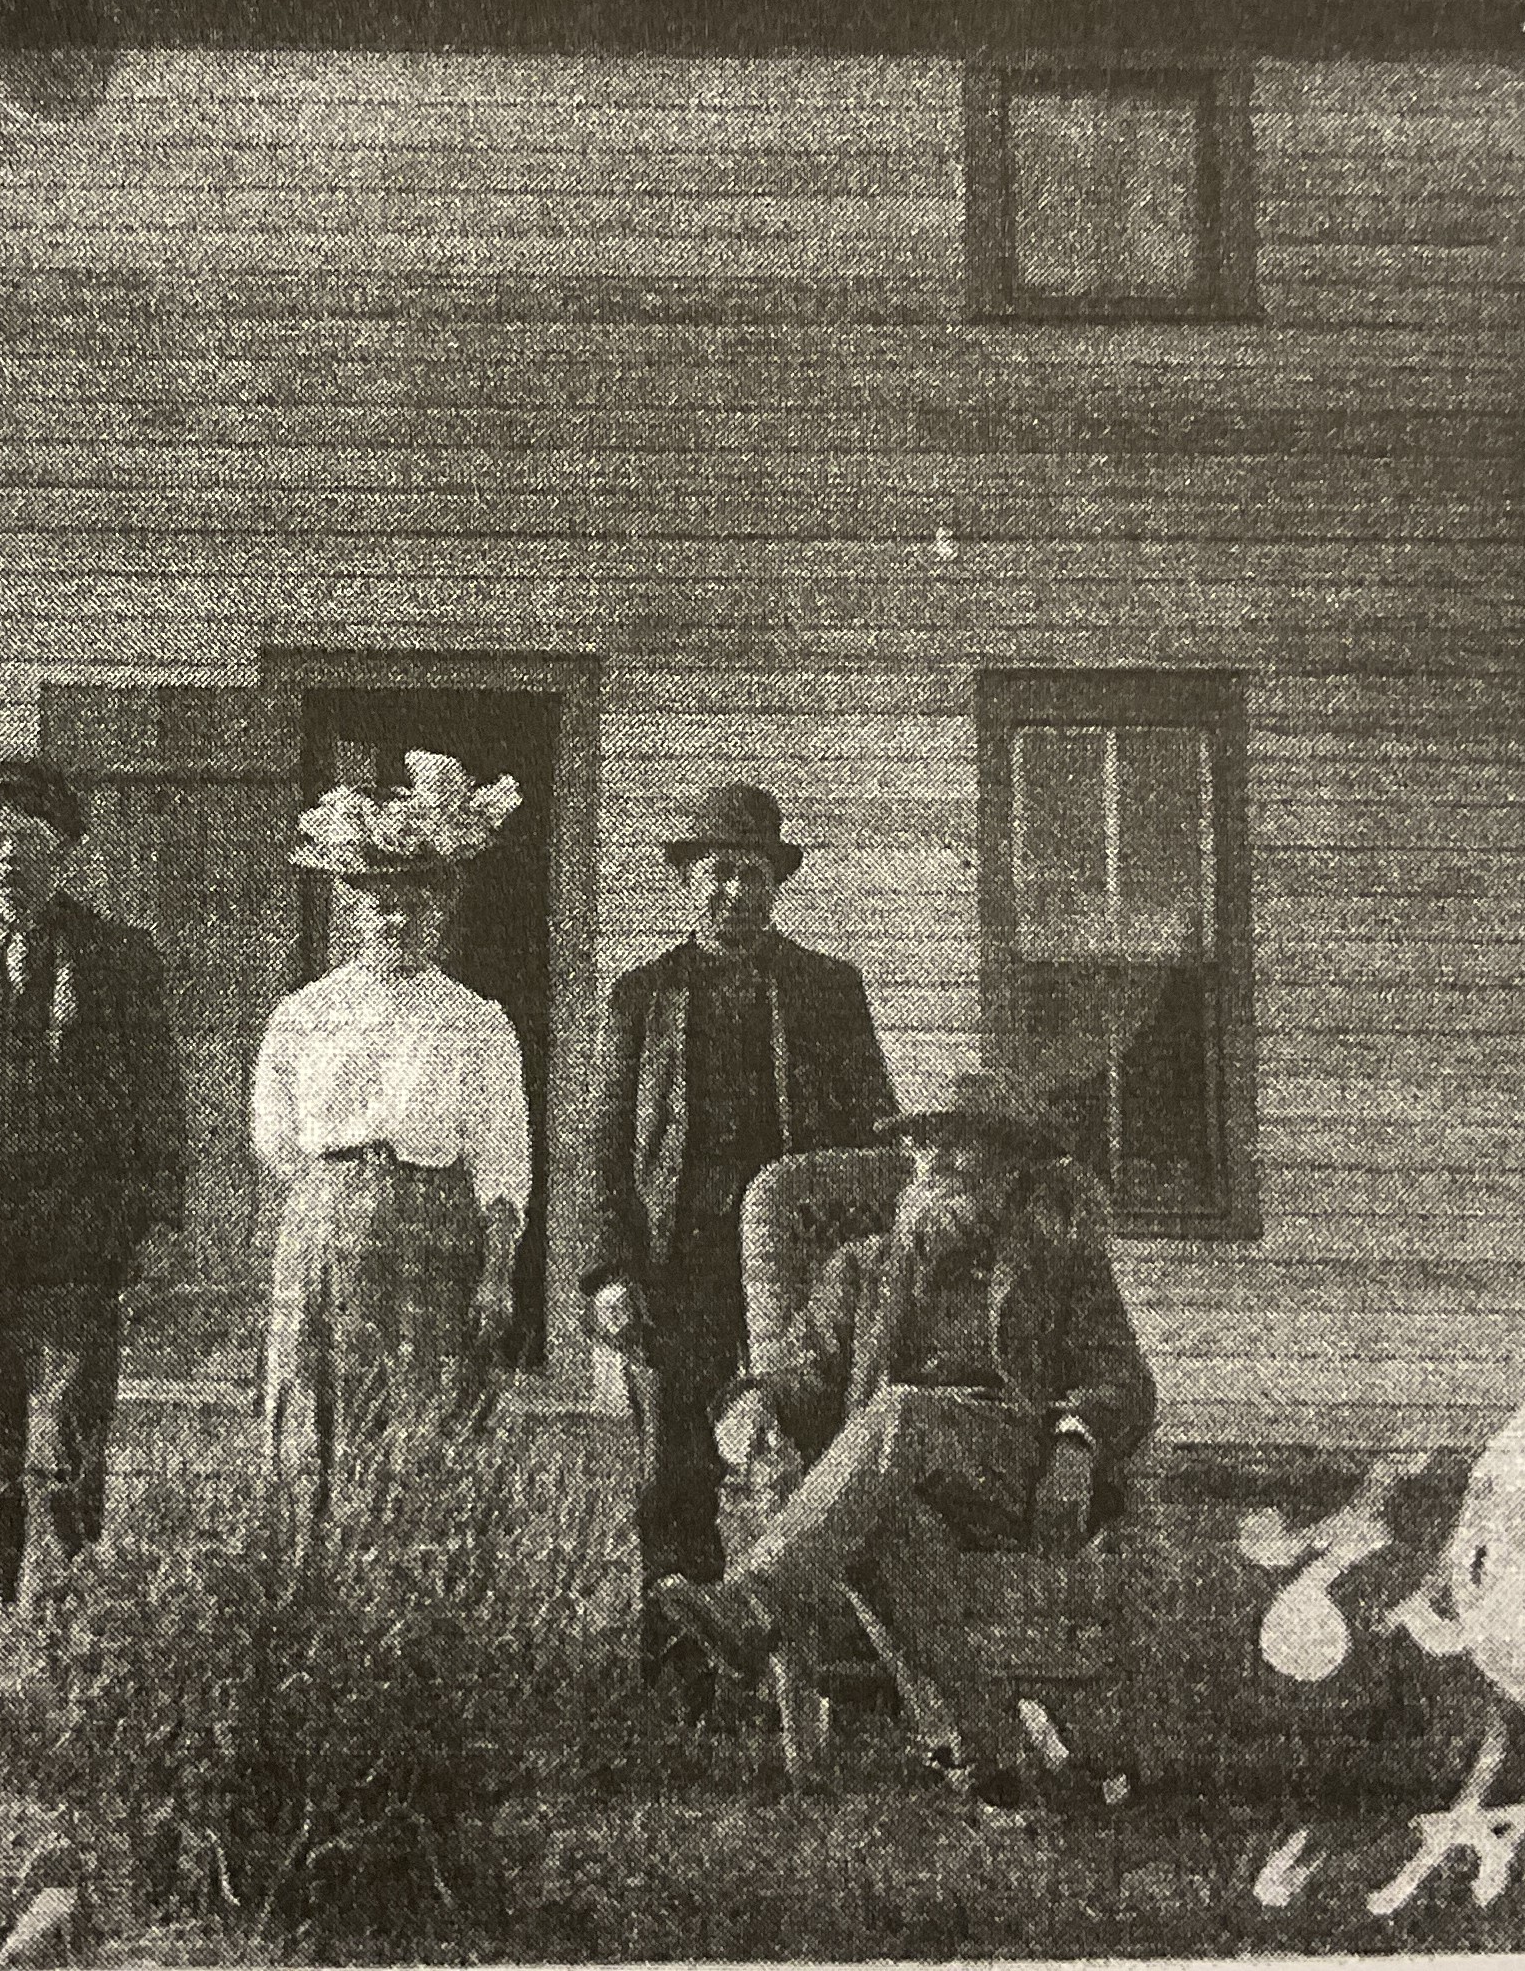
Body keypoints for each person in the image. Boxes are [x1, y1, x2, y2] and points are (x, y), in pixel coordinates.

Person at [648, 1073, 1157, 1782]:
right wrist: (754, 1402)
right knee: (884, 1524)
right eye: (924, 1142)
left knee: (899, 1413)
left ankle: (754, 1600)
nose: (936, 1157)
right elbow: (804, 1375)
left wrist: (1074, 1444)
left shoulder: (1059, 1263)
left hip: (1013, 1466)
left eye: (959, 1142)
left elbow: (1125, 1381)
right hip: (903, 1477)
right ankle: (983, 1749)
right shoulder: (861, 1270)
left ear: (1008, 1164)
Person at [583, 782, 895, 1627]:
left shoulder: (827, 989)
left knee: (812, 1468)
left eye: (751, 874)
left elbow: (877, 1139)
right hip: (676, 1275)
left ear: (775, 883)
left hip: (801, 1277)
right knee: (670, 1477)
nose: (733, 892)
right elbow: (603, 1150)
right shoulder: (641, 997)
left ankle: (818, 1661)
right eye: (717, 873)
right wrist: (608, 1274)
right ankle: (682, 1664)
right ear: (687, 881)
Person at [0, 753, 187, 1609]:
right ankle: (5, 1592)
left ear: (63, 849)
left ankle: (71, 1594)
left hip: (82, 1232)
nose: (8, 856)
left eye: (26, 839)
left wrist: (160, 1218)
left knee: (72, 1419)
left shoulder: (118, 959)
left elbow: (160, 1097)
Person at [251, 752, 531, 1494]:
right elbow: (276, 1139)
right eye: (380, 903)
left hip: (436, 1233)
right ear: (352, 908)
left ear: (441, 910)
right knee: (318, 1411)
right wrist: (339, 1194)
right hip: (325, 1228)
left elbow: (502, 1159)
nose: (397, 919)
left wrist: (496, 1273)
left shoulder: (475, 1021)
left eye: (415, 902)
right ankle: (311, 1555)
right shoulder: (306, 1013)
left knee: (426, 1421)